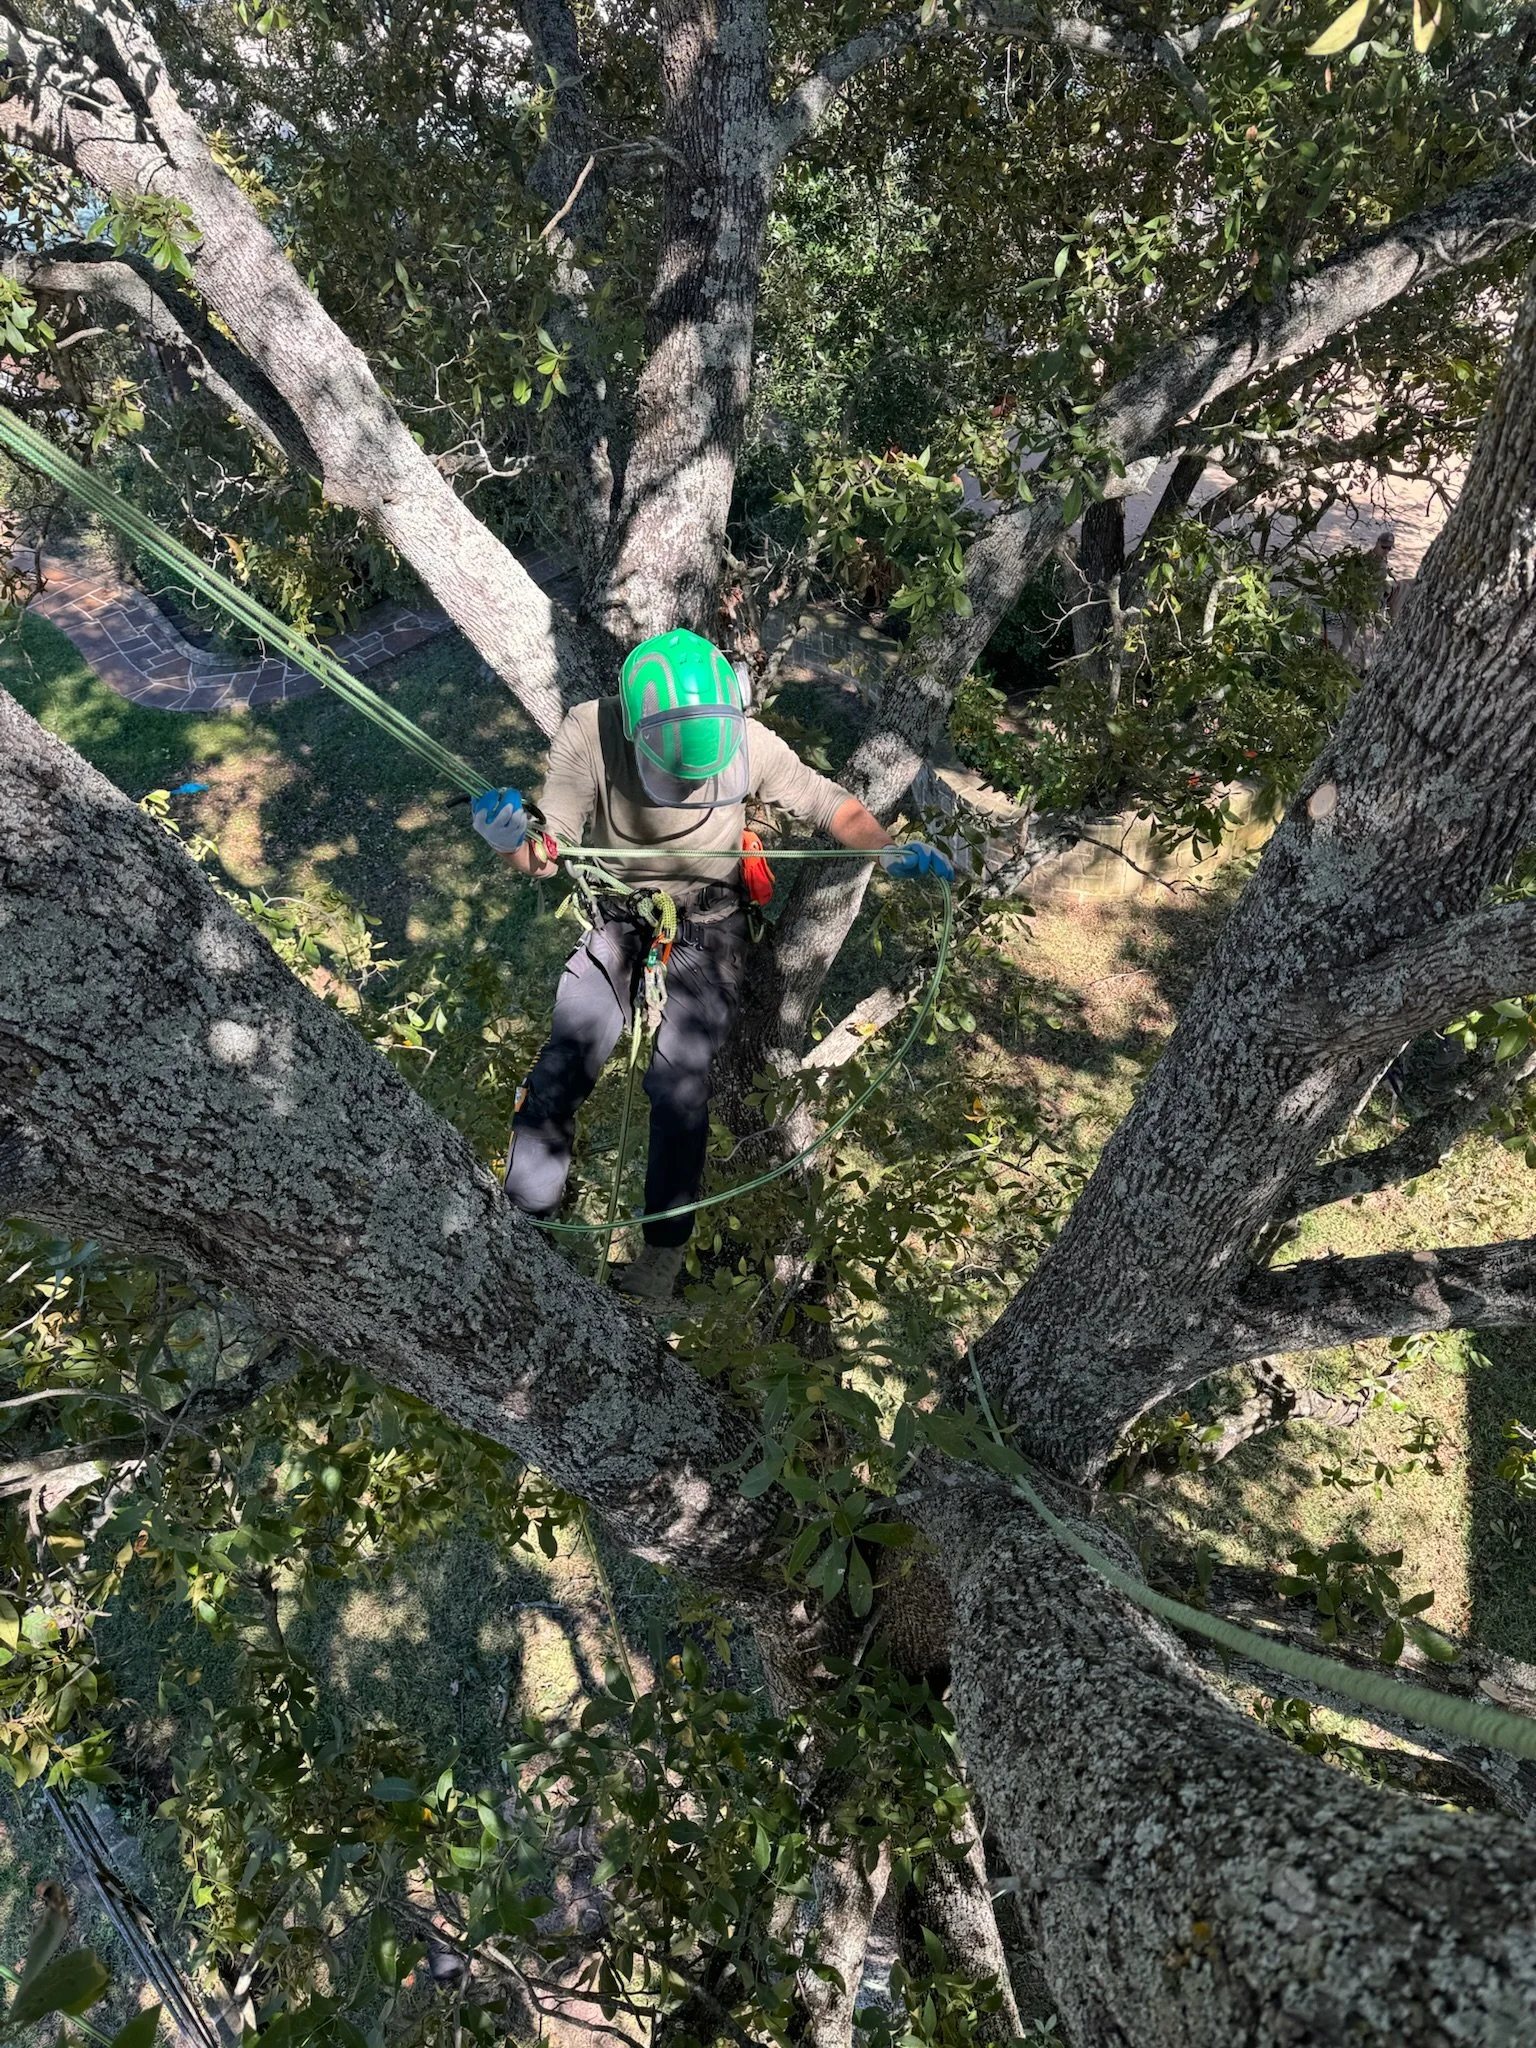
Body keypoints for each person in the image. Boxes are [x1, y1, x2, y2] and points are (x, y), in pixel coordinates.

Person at [470, 628, 953, 1302]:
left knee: (679, 1091)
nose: (688, 787)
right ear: (635, 728)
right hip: (619, 919)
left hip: (708, 926)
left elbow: (827, 802)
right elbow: (548, 852)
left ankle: (661, 1255)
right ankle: (524, 1227)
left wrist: (885, 848)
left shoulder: (745, 742)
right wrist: (509, 843)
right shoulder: (591, 733)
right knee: (560, 1070)